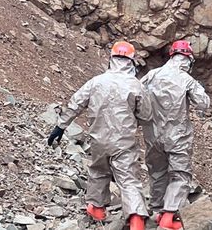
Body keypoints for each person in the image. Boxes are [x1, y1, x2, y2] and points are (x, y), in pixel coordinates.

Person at [47, 41, 152, 230]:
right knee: (128, 178)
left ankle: (96, 207)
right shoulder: (135, 85)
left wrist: (60, 127)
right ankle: (136, 220)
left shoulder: (96, 82)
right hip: (123, 141)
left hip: (98, 138)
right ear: (131, 61)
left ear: (111, 59)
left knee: (98, 170)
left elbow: (75, 104)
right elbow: (146, 115)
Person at [141, 40, 210, 230]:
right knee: (180, 175)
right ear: (187, 59)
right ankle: (169, 216)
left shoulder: (152, 75)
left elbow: (136, 97)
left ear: (172, 55)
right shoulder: (186, 79)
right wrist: (201, 89)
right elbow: (204, 103)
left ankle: (156, 211)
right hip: (177, 135)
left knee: (156, 172)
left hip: (152, 135)